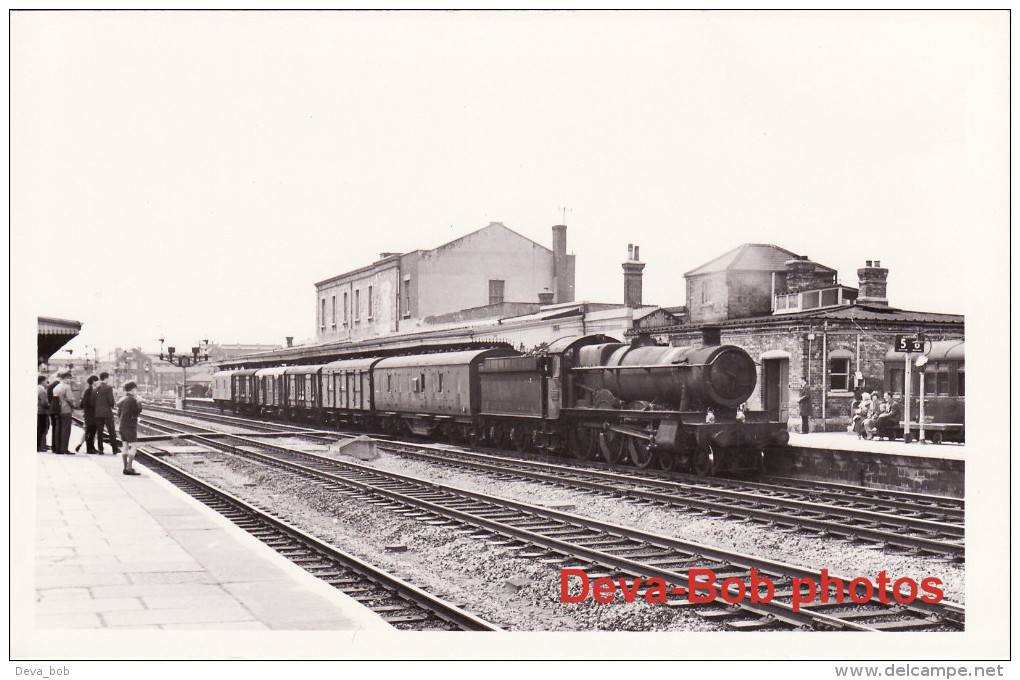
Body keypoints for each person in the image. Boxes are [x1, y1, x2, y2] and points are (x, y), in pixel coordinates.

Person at [118, 381, 143, 475]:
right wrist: (139, 402)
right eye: (136, 389)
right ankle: (129, 467)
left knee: (125, 445)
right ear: (133, 390)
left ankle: (125, 467)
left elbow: (119, 414)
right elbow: (137, 410)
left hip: (122, 425)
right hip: (130, 426)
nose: (137, 391)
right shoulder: (132, 399)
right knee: (134, 445)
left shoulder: (123, 399)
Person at [94, 372, 120, 454]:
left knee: (100, 432)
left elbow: (92, 401)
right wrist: (111, 406)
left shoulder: (96, 388)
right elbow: (111, 400)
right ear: (106, 378)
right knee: (111, 431)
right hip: (107, 413)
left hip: (98, 413)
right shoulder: (108, 388)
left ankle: (100, 449)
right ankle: (114, 449)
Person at [52, 371, 76, 454]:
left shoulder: (56, 387)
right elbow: (69, 399)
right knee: (66, 430)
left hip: (57, 410)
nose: (70, 380)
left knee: (58, 430)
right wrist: (73, 405)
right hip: (66, 410)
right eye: (69, 378)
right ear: (65, 378)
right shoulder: (66, 387)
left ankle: (58, 448)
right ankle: (64, 449)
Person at [75, 375, 100, 454]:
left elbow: (82, 404)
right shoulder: (89, 390)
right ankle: (89, 449)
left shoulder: (89, 390)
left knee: (92, 431)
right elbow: (89, 402)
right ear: (93, 381)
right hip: (90, 414)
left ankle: (92, 447)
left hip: (90, 414)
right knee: (90, 431)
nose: (98, 382)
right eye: (97, 380)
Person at [37, 375, 50, 452]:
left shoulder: (36, 388)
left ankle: (39, 446)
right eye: (46, 381)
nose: (46, 383)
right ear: (42, 381)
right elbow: (44, 403)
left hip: (38, 411)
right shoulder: (42, 390)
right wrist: (50, 406)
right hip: (42, 412)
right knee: (41, 429)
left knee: (39, 429)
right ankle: (38, 446)